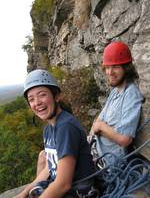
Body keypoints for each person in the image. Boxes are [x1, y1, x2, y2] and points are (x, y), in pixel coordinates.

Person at [14, 69, 95, 198]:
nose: (37, 102)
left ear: (56, 96)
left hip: (78, 193)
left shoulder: (66, 127)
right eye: (31, 99)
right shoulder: (49, 129)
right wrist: (22, 194)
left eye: (42, 95)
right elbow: (49, 168)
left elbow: (63, 184)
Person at [90, 41, 144, 166]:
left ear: (126, 68)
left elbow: (124, 139)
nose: (109, 72)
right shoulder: (115, 92)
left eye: (115, 67)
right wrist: (101, 127)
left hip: (108, 163)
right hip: (96, 152)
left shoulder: (131, 94)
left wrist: (102, 127)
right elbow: (96, 124)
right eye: (107, 67)